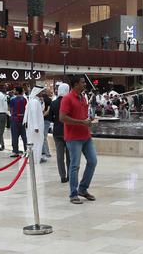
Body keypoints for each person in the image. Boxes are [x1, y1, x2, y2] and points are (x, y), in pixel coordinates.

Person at [60, 75, 97, 205]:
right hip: (73, 138)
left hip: (86, 136)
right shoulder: (67, 99)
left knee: (92, 161)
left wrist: (88, 120)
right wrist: (81, 122)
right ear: (75, 84)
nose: (85, 84)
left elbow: (82, 115)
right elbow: (62, 117)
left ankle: (83, 189)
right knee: (74, 165)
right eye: (82, 82)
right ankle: (73, 194)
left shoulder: (83, 98)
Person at [49, 83, 71, 183]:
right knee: (70, 155)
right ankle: (70, 175)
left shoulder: (53, 103)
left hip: (57, 132)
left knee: (59, 156)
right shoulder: (69, 102)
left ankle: (62, 176)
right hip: (69, 131)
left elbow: (50, 118)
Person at [23, 86, 46, 164]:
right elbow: (34, 114)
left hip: (36, 126)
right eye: (41, 92)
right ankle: (34, 159)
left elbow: (41, 111)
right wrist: (36, 126)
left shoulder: (36, 101)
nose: (43, 93)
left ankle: (37, 158)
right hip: (35, 127)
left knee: (38, 142)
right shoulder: (34, 102)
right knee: (35, 143)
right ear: (37, 92)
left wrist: (42, 102)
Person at [9, 86, 27, 157]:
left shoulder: (13, 99)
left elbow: (11, 109)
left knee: (14, 136)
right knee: (24, 136)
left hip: (15, 119)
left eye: (14, 90)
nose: (14, 91)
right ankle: (26, 150)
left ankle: (15, 151)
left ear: (17, 91)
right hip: (23, 119)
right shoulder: (25, 99)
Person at [41, 88, 53, 159]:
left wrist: (41, 116)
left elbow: (48, 110)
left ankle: (46, 152)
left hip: (45, 120)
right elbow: (48, 110)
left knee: (43, 137)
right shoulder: (48, 100)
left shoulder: (45, 100)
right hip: (46, 120)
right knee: (43, 136)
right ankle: (45, 152)